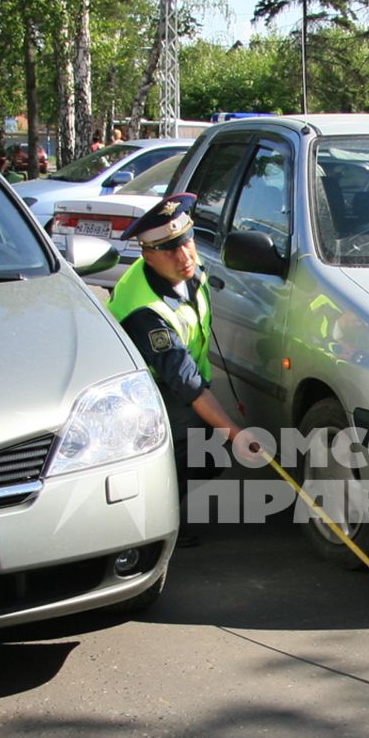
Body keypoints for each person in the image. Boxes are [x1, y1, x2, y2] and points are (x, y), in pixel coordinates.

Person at [105, 195, 266, 545]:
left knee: (209, 449)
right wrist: (237, 433)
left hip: (175, 384)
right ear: (148, 254)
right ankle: (152, 530)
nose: (185, 256)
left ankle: (166, 508)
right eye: (169, 249)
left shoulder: (185, 271)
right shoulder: (146, 312)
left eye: (186, 242)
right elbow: (186, 386)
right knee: (191, 442)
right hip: (144, 399)